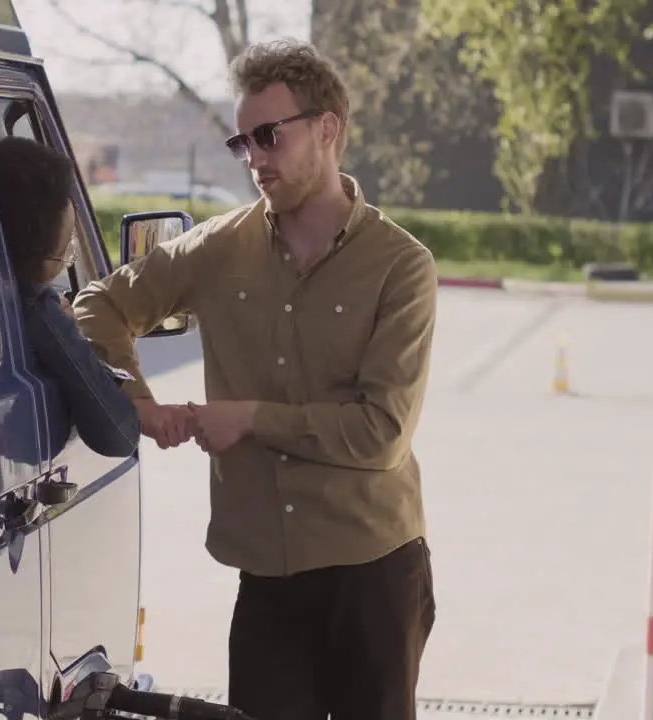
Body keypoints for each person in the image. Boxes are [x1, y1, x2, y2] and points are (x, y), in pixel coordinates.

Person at [71, 39, 439, 720]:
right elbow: (98, 305)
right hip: (267, 578)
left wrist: (248, 417)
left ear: (327, 129)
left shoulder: (401, 266)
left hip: (375, 572)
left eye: (268, 136)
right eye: (242, 143)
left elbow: (381, 433)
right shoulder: (219, 248)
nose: (254, 160)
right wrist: (138, 403)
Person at [0, 135, 141, 459]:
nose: (70, 256)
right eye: (68, 248)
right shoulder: (37, 311)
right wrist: (74, 334)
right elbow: (119, 434)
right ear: (39, 256)